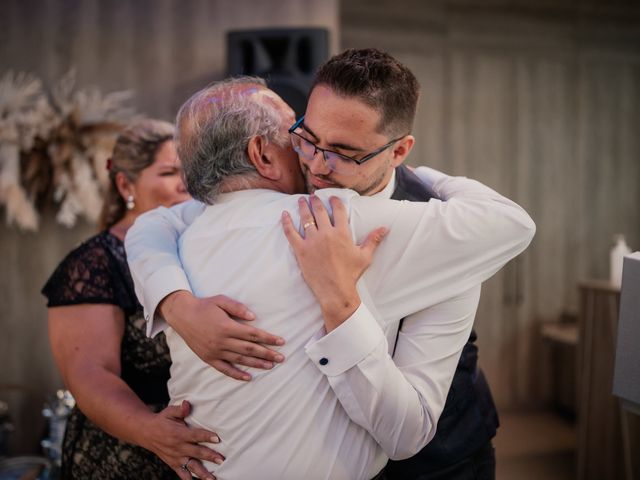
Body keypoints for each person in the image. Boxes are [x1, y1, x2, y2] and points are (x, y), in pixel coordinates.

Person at [125, 77, 534, 479]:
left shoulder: (186, 236)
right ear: (263, 155)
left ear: (397, 151)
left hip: (447, 453)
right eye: (301, 137)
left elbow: (149, 226)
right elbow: (511, 223)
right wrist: (175, 303)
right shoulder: (313, 214)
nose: (315, 161)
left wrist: (426, 178)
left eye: (343, 150)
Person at [42, 119, 226, 480]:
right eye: (170, 172)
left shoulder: (199, 248)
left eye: (188, 170)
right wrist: (151, 430)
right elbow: (90, 373)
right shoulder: (95, 263)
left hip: (204, 449)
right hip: (127, 453)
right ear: (126, 184)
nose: (184, 184)